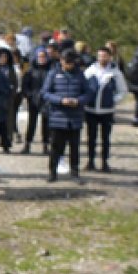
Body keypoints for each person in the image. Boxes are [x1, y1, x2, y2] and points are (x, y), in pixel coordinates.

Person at [41, 49, 93, 183]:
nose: (68, 65)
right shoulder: (53, 74)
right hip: (58, 116)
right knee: (56, 147)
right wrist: (60, 100)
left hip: (74, 117)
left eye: (71, 63)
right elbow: (45, 93)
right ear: (61, 61)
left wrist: (78, 101)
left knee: (74, 147)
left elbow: (88, 93)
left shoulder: (80, 75)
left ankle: (75, 173)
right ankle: (52, 172)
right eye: (66, 62)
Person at [84, 46, 128, 172]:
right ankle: (90, 161)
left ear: (109, 57)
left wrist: (113, 100)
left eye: (104, 56)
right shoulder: (90, 71)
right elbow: (83, 86)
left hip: (107, 111)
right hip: (91, 110)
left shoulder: (115, 73)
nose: (102, 58)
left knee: (105, 138)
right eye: (100, 56)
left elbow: (123, 91)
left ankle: (104, 162)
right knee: (91, 137)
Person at [20, 49, 51, 155]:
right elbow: (25, 85)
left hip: (46, 100)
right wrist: (29, 95)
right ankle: (27, 144)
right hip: (33, 100)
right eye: (40, 56)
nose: (42, 59)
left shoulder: (50, 70)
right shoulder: (30, 71)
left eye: (44, 56)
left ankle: (46, 145)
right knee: (31, 123)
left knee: (46, 124)